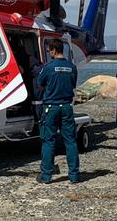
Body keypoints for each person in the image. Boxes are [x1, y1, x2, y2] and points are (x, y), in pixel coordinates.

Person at [36, 38, 80, 184]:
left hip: (51, 107)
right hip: (67, 107)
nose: (49, 53)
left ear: (53, 51)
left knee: (49, 141)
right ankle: (74, 175)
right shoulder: (72, 67)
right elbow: (73, 84)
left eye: (49, 51)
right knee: (70, 141)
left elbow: (40, 83)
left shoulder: (48, 67)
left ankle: (46, 175)